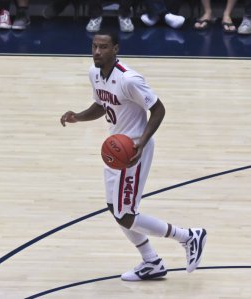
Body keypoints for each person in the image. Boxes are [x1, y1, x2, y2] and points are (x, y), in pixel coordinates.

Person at [60, 29, 207, 281]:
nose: (97, 52)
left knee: (126, 215)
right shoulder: (94, 74)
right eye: (94, 46)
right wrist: (79, 117)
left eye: (103, 47)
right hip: (115, 150)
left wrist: (141, 142)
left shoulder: (130, 80)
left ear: (115, 49)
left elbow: (158, 110)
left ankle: (188, 237)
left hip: (133, 152)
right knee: (115, 209)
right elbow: (102, 104)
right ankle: (151, 262)